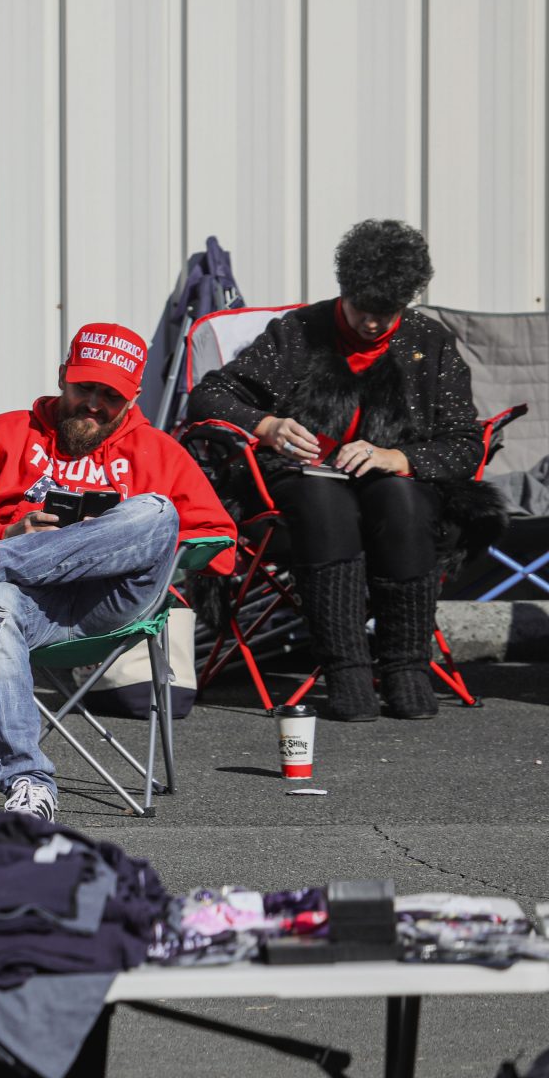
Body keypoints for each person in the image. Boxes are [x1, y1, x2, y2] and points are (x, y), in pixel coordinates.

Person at [0, 323, 236, 821]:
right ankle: (28, 787)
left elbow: (220, 542)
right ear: (62, 376)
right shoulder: (1, 436)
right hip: (25, 603)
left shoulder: (158, 451)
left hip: (114, 603)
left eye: (110, 395)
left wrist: (112, 540)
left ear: (134, 396)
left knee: (159, 512)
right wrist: (12, 535)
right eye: (84, 388)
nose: (94, 403)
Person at [187, 220, 505, 721]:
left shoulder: (430, 342)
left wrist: (398, 457)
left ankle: (406, 666)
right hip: (300, 479)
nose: (374, 324)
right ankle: (346, 668)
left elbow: (465, 443)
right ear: (344, 290)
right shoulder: (298, 333)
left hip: (396, 485)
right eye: (363, 309)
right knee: (324, 503)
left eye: (388, 313)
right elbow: (208, 396)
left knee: (400, 500)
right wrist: (267, 424)